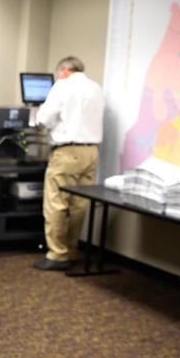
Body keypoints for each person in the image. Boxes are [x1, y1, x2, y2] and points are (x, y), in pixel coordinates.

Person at [33, 56, 104, 271]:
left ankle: (57, 254)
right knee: (79, 203)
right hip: (91, 152)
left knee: (56, 203)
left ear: (63, 71)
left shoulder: (62, 86)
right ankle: (72, 249)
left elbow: (44, 119)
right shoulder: (96, 88)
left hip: (67, 152)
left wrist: (38, 122)